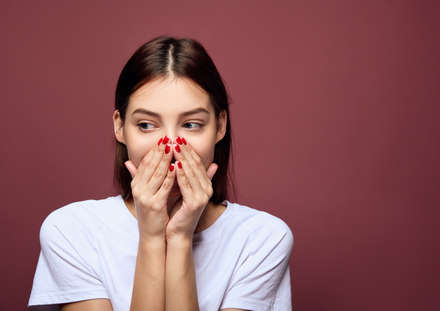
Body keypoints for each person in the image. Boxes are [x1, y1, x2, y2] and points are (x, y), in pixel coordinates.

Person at [28, 35, 294, 311]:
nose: (169, 146)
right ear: (120, 127)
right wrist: (152, 238)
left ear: (220, 126)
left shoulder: (263, 239)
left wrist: (180, 239)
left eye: (191, 124)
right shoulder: (71, 231)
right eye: (145, 125)